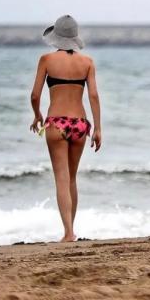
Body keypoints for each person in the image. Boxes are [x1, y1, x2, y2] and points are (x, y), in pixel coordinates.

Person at [29, 15, 103, 242]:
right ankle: (71, 229)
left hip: (56, 123)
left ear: (56, 38)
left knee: (61, 178)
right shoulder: (87, 62)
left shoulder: (46, 60)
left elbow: (35, 95)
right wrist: (98, 128)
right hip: (80, 124)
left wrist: (37, 115)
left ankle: (68, 232)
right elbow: (93, 95)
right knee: (71, 178)